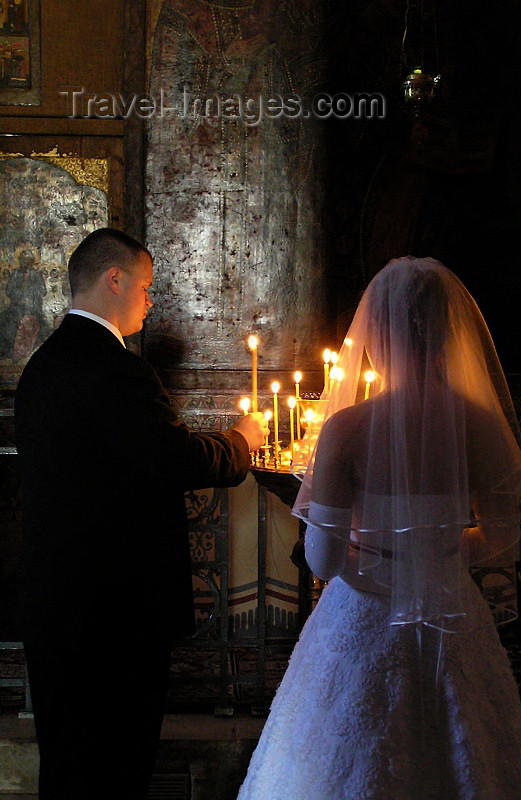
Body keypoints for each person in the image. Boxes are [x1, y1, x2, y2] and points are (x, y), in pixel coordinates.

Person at [237, 257, 521, 800]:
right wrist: (437, 555)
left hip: (362, 618)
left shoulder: (347, 429)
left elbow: (322, 560)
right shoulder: (479, 423)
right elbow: (503, 535)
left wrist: (380, 563)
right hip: (451, 609)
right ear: (449, 330)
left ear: (376, 331)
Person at [14, 227, 268, 800]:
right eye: (147, 288)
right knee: (115, 768)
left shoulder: (42, 368)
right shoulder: (115, 370)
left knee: (68, 766)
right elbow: (174, 457)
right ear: (115, 279)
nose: (150, 304)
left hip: (55, 607)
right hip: (112, 616)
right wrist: (242, 441)